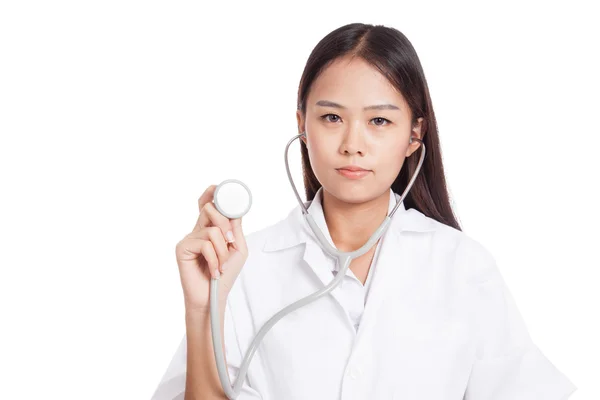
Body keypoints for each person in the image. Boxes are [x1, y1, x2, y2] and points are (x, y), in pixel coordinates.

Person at [151, 23, 577, 400]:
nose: (353, 143)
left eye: (379, 122)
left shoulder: (462, 266)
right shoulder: (241, 268)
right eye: (332, 117)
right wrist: (204, 308)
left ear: (415, 134)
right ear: (302, 125)